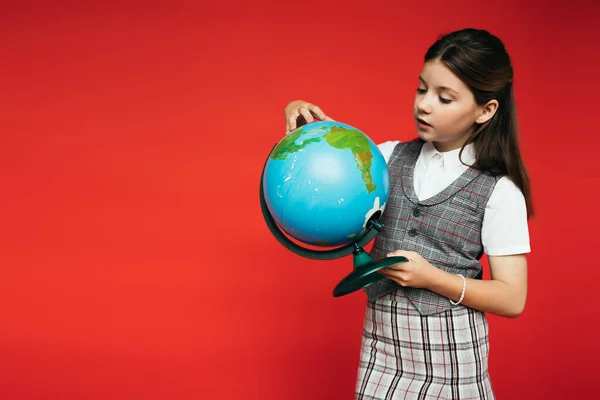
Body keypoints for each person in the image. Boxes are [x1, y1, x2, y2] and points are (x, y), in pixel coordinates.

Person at [283, 28, 531, 399]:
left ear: (486, 110)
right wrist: (302, 124)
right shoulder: (384, 158)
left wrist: (433, 278)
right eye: (421, 89)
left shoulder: (499, 190)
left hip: (451, 357)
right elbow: (335, 164)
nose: (424, 105)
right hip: (382, 348)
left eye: (444, 98)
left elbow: (513, 299)